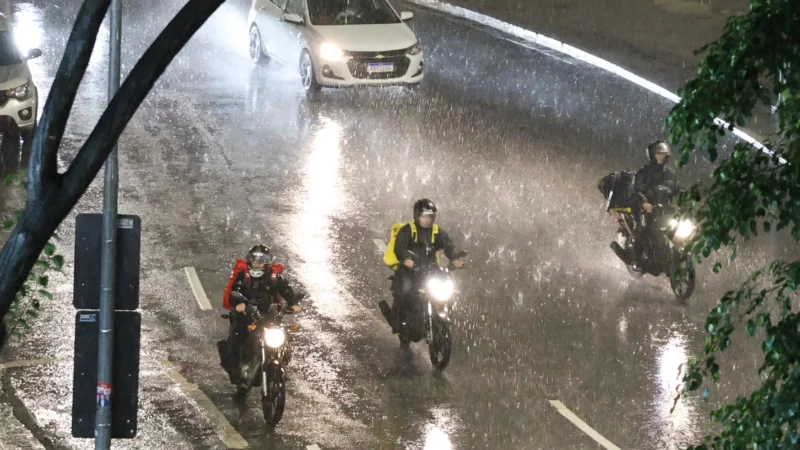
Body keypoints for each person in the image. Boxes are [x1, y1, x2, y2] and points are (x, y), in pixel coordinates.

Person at [219, 245, 300, 382]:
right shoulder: (242, 275)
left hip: (269, 315)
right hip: (246, 315)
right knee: (237, 336)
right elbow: (234, 290)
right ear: (249, 261)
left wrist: (293, 303)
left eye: (261, 260)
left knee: (285, 336)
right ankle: (236, 369)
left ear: (267, 262)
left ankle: (281, 361)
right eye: (254, 260)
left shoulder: (275, 276)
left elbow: (286, 289)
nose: (257, 263)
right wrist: (238, 304)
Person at [383, 199, 465, 333]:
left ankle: (439, 315)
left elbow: (448, 246)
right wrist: (406, 259)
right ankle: (398, 322)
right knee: (404, 290)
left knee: (448, 288)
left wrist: (455, 258)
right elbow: (399, 248)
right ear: (417, 216)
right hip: (410, 271)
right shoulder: (407, 230)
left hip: (430, 270)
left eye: (430, 216)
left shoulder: (437, 231)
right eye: (424, 216)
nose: (428, 220)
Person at [631, 141, 680, 270]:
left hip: (663, 209)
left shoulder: (669, 173)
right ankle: (636, 260)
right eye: (658, 154)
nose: (661, 157)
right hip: (646, 208)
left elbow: (677, 188)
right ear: (652, 155)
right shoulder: (644, 172)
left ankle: (665, 257)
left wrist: (689, 196)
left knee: (677, 228)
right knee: (642, 228)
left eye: (664, 155)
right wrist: (644, 202)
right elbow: (637, 189)